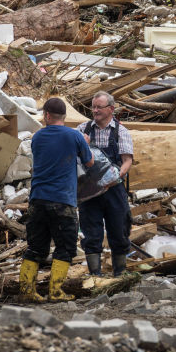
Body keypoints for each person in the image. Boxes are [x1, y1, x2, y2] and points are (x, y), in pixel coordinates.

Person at [20, 97, 94, 302]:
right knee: (66, 247)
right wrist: (85, 143)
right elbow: (89, 163)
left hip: (37, 200)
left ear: (46, 115)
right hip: (63, 202)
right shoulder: (75, 136)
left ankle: (27, 291)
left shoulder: (37, 137)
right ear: (64, 116)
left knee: (36, 247)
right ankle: (56, 291)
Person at [78, 91, 134, 277]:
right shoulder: (82, 130)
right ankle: (95, 276)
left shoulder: (121, 132)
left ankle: (120, 275)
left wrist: (116, 177)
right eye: (93, 107)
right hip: (89, 191)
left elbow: (127, 161)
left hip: (114, 189)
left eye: (99, 107)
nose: (95, 111)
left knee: (118, 230)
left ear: (111, 109)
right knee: (91, 232)